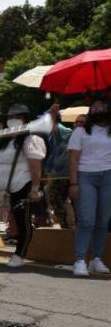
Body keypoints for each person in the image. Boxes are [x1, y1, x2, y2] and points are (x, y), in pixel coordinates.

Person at [0, 104, 46, 268]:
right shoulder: (4, 142)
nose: (13, 121)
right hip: (0, 187)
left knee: (22, 222)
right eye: (11, 118)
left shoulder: (32, 139)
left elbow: (36, 166)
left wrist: (35, 189)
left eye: (18, 118)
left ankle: (19, 255)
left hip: (22, 185)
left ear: (25, 121)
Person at [68, 99, 111, 276]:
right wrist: (73, 183)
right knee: (87, 220)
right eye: (95, 106)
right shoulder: (80, 131)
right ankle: (79, 260)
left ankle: (96, 259)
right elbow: (73, 159)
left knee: (103, 221)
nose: (98, 108)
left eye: (103, 105)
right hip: (85, 177)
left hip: (108, 176)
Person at [44, 107, 74, 229]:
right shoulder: (52, 137)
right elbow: (52, 157)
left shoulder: (67, 133)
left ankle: (70, 226)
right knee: (55, 200)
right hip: (57, 175)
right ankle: (65, 226)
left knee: (60, 200)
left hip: (66, 176)